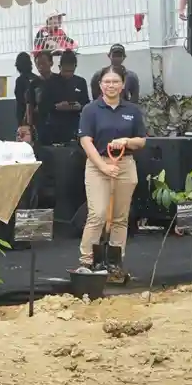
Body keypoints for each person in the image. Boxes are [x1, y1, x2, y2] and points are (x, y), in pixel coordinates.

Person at [77, 66, 147, 281]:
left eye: (115, 81)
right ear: (100, 85)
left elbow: (141, 141)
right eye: (107, 82)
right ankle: (87, 261)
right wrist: (103, 166)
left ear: (123, 84)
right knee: (97, 214)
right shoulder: (90, 110)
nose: (111, 85)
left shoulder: (132, 110)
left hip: (125, 164)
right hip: (98, 165)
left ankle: (115, 263)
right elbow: (85, 141)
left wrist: (126, 141)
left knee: (120, 217)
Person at [37, 50, 89, 145]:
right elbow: (42, 106)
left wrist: (79, 106)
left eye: (71, 71)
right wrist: (56, 107)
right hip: (55, 127)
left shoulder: (80, 82)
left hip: (74, 125)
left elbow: (86, 103)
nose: (68, 74)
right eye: (65, 71)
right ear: (59, 67)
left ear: (75, 67)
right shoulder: (51, 82)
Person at [25, 50, 54, 143]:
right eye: (38, 64)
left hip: (58, 122)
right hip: (40, 124)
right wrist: (30, 125)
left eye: (43, 63)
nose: (40, 66)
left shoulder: (58, 80)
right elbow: (30, 105)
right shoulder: (33, 84)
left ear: (51, 63)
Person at [13, 52, 36, 133]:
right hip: (36, 114)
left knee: (24, 136)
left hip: (23, 114)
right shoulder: (36, 78)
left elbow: (19, 99)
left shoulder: (20, 80)